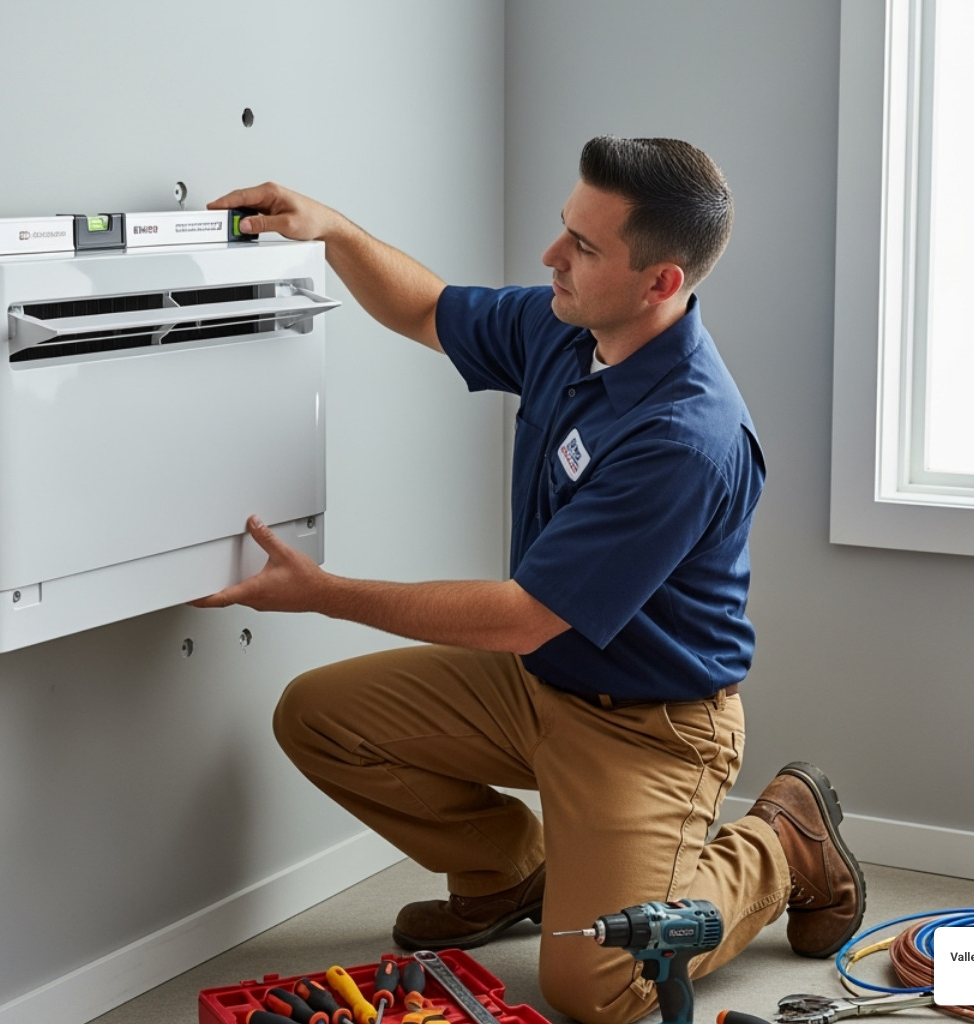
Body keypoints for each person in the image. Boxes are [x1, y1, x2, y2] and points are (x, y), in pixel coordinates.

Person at [193, 137, 865, 1024]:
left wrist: (321, 591)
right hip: (540, 682)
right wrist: (330, 233)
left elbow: (521, 617)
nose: (554, 257)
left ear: (660, 282)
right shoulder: (569, 329)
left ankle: (783, 843)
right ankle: (513, 872)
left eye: (584, 247)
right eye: (564, 230)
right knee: (319, 719)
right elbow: (427, 309)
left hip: (651, 728)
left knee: (601, 988)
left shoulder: (684, 438)